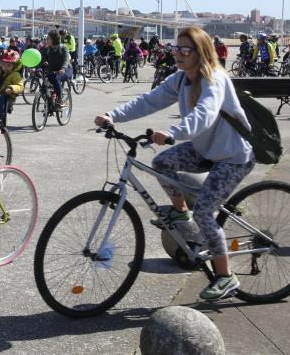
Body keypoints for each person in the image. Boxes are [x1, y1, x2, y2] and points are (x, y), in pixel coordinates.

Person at [94, 26, 254, 301]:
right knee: (162, 161)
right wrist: (113, 115)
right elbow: (149, 101)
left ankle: (226, 276)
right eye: (175, 48)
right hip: (205, 150)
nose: (177, 54)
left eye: (185, 49)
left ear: (200, 52)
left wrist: (173, 133)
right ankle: (180, 212)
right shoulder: (181, 79)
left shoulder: (214, 79)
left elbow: (204, 114)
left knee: (205, 212)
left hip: (232, 156)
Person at [43, 30, 72, 105]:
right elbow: (42, 59)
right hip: (53, 70)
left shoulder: (63, 47)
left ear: (53, 39)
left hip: (66, 70)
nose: (47, 40)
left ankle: (60, 99)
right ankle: (49, 101)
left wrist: (63, 68)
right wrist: (37, 67)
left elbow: (66, 59)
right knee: (45, 81)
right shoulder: (47, 49)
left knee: (56, 78)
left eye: (48, 38)